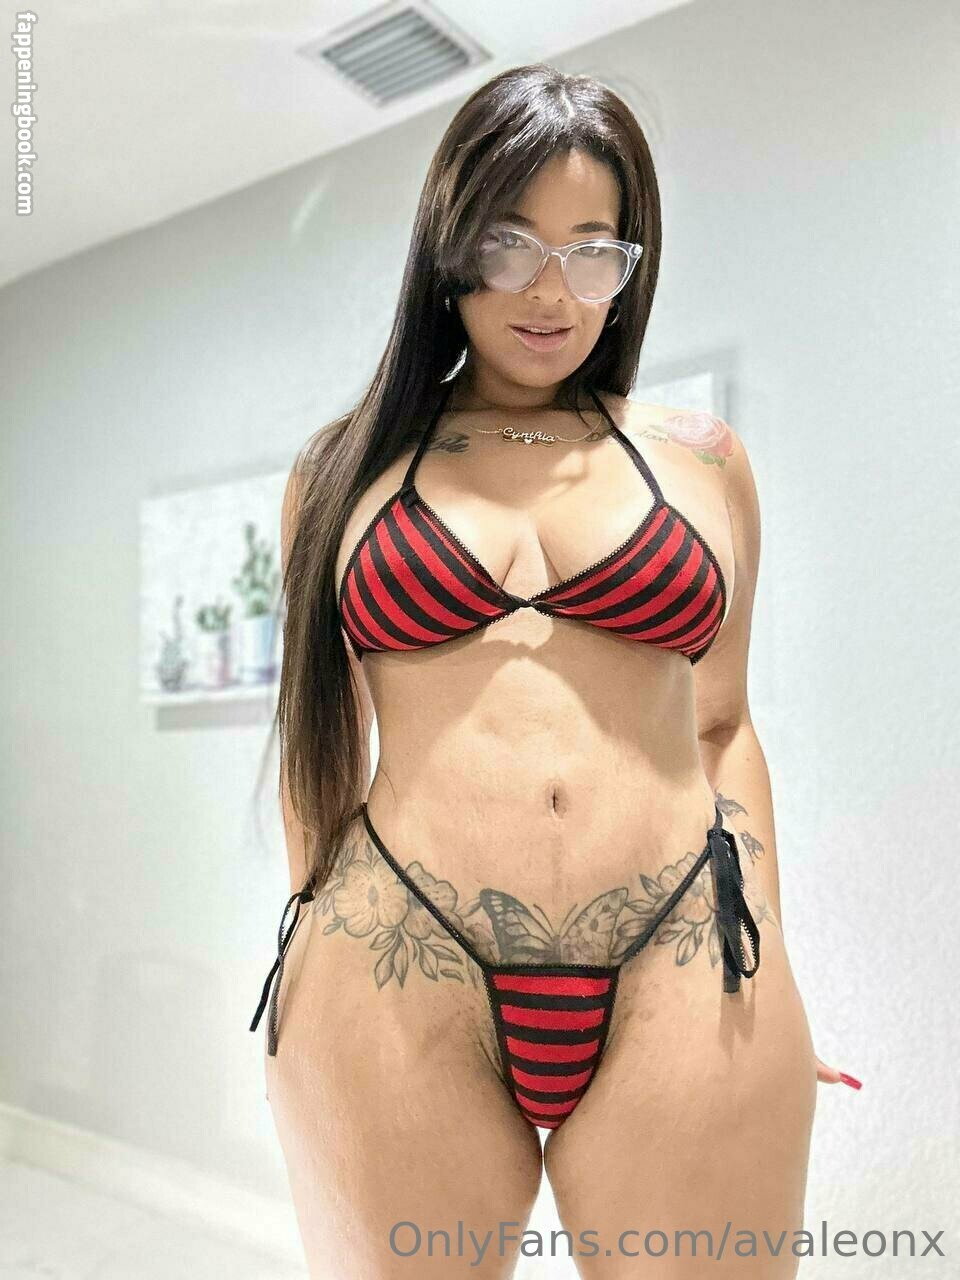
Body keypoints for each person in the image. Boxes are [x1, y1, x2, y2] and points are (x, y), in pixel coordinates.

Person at [250, 63, 860, 1279]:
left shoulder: (703, 458)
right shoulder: (340, 470)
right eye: (512, 240)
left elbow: (724, 723)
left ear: (632, 262)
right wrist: (306, 934)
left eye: (593, 251)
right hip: (394, 959)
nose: (551, 290)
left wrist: (769, 950)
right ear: (450, 242)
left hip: (679, 954)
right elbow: (318, 733)